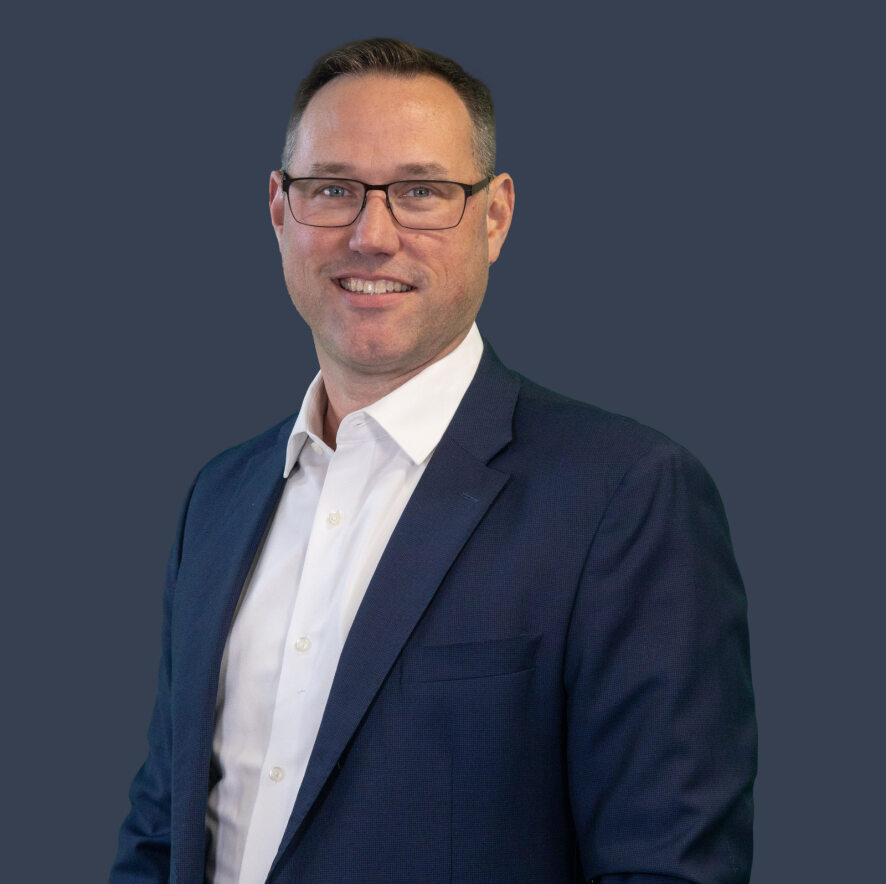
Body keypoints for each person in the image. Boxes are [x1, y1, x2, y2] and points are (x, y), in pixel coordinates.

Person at [110, 37, 756, 884]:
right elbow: (160, 837)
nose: (371, 235)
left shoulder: (626, 499)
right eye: (333, 188)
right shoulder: (219, 499)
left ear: (495, 216)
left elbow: (667, 868)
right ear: (279, 210)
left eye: (421, 192)